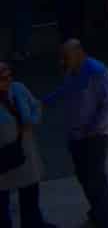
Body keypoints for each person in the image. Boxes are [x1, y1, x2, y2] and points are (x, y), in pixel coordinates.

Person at [43, 41, 108, 228]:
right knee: (83, 176)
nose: (63, 61)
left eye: (66, 56)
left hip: (94, 136)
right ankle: (96, 212)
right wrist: (44, 102)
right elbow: (65, 91)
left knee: (96, 178)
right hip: (76, 135)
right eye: (62, 57)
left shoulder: (97, 71)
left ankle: (104, 220)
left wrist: (95, 128)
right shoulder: (71, 70)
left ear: (79, 52)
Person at [0, 60, 46, 228]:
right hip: (3, 158)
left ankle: (33, 223)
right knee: (2, 201)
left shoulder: (18, 88)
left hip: (25, 153)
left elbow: (36, 106)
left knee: (30, 194)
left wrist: (32, 121)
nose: (7, 80)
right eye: (2, 78)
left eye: (8, 75)